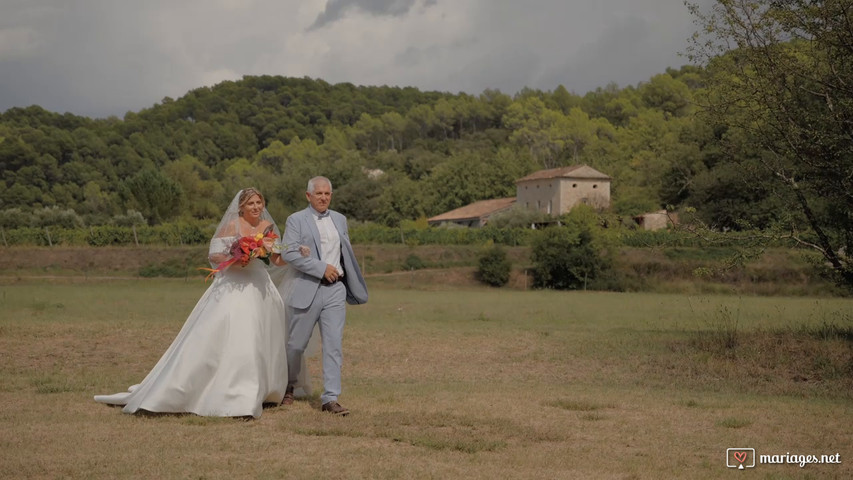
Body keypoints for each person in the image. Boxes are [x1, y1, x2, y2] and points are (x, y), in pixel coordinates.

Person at [94, 188, 290, 418]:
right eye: (251, 204)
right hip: (234, 286)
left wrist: (294, 254)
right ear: (241, 207)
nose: (256, 207)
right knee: (234, 335)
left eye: (259, 202)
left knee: (259, 337)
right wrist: (240, 258)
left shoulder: (267, 227)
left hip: (260, 287)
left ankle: (260, 391)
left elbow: (276, 259)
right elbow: (215, 255)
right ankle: (233, 396)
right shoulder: (232, 226)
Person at [278, 176, 368, 416]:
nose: (324, 198)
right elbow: (288, 254)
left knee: (333, 345)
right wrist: (320, 268)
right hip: (307, 287)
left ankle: (330, 399)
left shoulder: (340, 219)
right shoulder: (296, 220)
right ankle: (288, 384)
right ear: (308, 196)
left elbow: (343, 252)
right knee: (296, 345)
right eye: (319, 194)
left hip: (335, 290)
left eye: (327, 194)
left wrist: (343, 276)